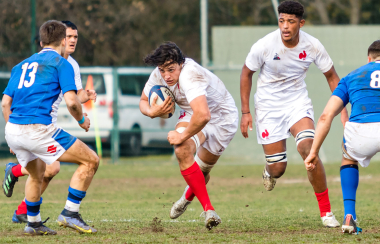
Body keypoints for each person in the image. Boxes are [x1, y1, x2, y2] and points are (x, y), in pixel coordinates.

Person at [239, 0, 348, 227]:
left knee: (309, 149)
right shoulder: (265, 45)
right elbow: (246, 73)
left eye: (290, 21)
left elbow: (331, 76)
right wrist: (246, 111)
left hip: (297, 103)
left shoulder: (313, 46)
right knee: (279, 168)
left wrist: (342, 109)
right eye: (281, 21)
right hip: (268, 108)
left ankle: (326, 212)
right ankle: (269, 173)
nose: (285, 26)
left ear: (301, 23)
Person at [1, 20, 99, 235]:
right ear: (63, 41)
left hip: (13, 128)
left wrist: (13, 136)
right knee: (90, 160)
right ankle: (70, 213)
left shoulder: (20, 65)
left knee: (38, 174)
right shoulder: (62, 63)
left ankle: (33, 223)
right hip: (38, 129)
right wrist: (82, 120)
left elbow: (5, 103)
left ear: (42, 41)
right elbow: (72, 102)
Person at [140, 42, 238, 230]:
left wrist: (182, 134)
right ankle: (209, 210)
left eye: (171, 69)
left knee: (202, 172)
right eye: (162, 70)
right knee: (182, 149)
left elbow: (204, 115)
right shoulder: (158, 75)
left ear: (181, 64)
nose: (166, 76)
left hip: (223, 119)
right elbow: (143, 101)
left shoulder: (189, 75)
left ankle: (186, 197)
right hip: (193, 113)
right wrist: (152, 112)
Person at [305, 40, 380, 234]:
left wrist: (313, 152)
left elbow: (325, 116)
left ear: (369, 58)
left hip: (359, 131)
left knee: (348, 157)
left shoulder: (352, 76)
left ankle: (349, 216)